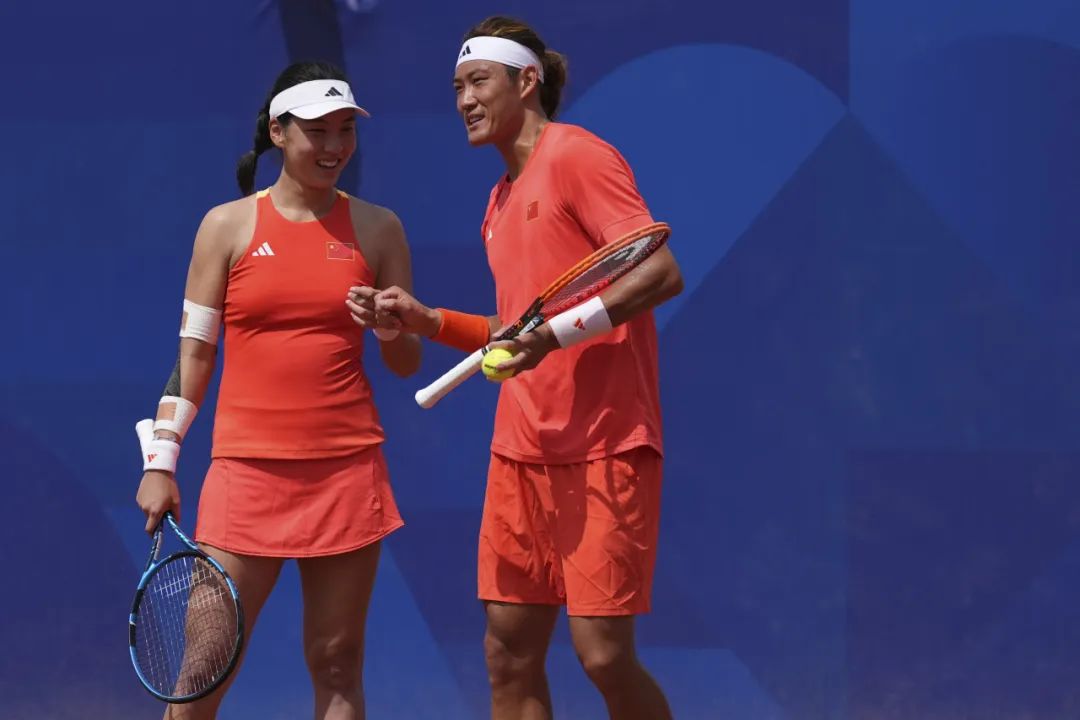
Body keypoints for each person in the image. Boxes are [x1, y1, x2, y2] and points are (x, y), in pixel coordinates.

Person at [364, 16, 682, 720]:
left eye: (478, 82)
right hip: (520, 453)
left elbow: (659, 272)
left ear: (526, 81)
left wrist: (553, 337)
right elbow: (513, 334)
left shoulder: (578, 157)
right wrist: (427, 320)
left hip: (604, 445)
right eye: (457, 88)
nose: (464, 100)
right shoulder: (499, 201)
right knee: (507, 652)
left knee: (603, 654)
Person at [134, 60, 420, 720]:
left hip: (345, 473)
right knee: (202, 667)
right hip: (246, 476)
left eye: (345, 129)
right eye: (318, 131)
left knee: (338, 661)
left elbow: (406, 362)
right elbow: (194, 356)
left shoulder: (380, 229)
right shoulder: (226, 226)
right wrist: (161, 460)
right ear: (278, 132)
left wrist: (388, 326)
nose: (334, 146)